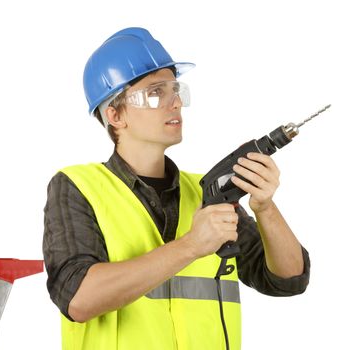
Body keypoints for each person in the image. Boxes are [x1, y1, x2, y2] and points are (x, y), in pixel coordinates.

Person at [43, 27, 310, 350]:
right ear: (115, 114)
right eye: (156, 92)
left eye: (176, 89)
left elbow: (288, 280)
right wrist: (192, 245)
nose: (176, 102)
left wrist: (265, 208)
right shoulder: (79, 187)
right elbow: (78, 299)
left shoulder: (205, 193)